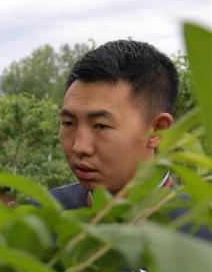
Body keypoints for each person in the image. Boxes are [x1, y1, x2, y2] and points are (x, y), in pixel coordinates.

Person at [51, 39, 211, 256]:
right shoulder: (45, 215)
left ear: (158, 130)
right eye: (68, 123)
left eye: (101, 126)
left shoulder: (200, 232)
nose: (80, 146)